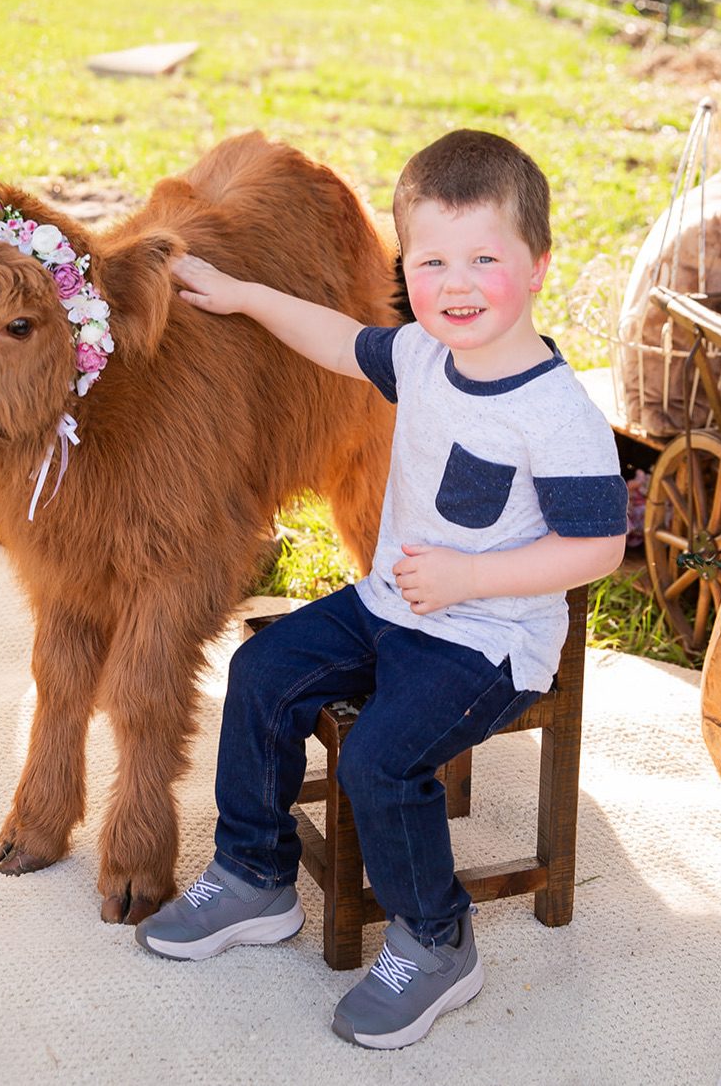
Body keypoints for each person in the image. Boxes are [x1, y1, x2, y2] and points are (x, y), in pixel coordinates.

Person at [136, 129, 627, 1050]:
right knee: (263, 669)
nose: (457, 282)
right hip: (394, 603)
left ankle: (437, 938)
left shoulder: (555, 413)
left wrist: (471, 575)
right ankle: (254, 874)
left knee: (378, 764)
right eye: (432, 260)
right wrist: (241, 294)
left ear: (540, 265)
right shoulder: (424, 356)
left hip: (487, 640)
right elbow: (333, 337)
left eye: (485, 257)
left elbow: (597, 545)